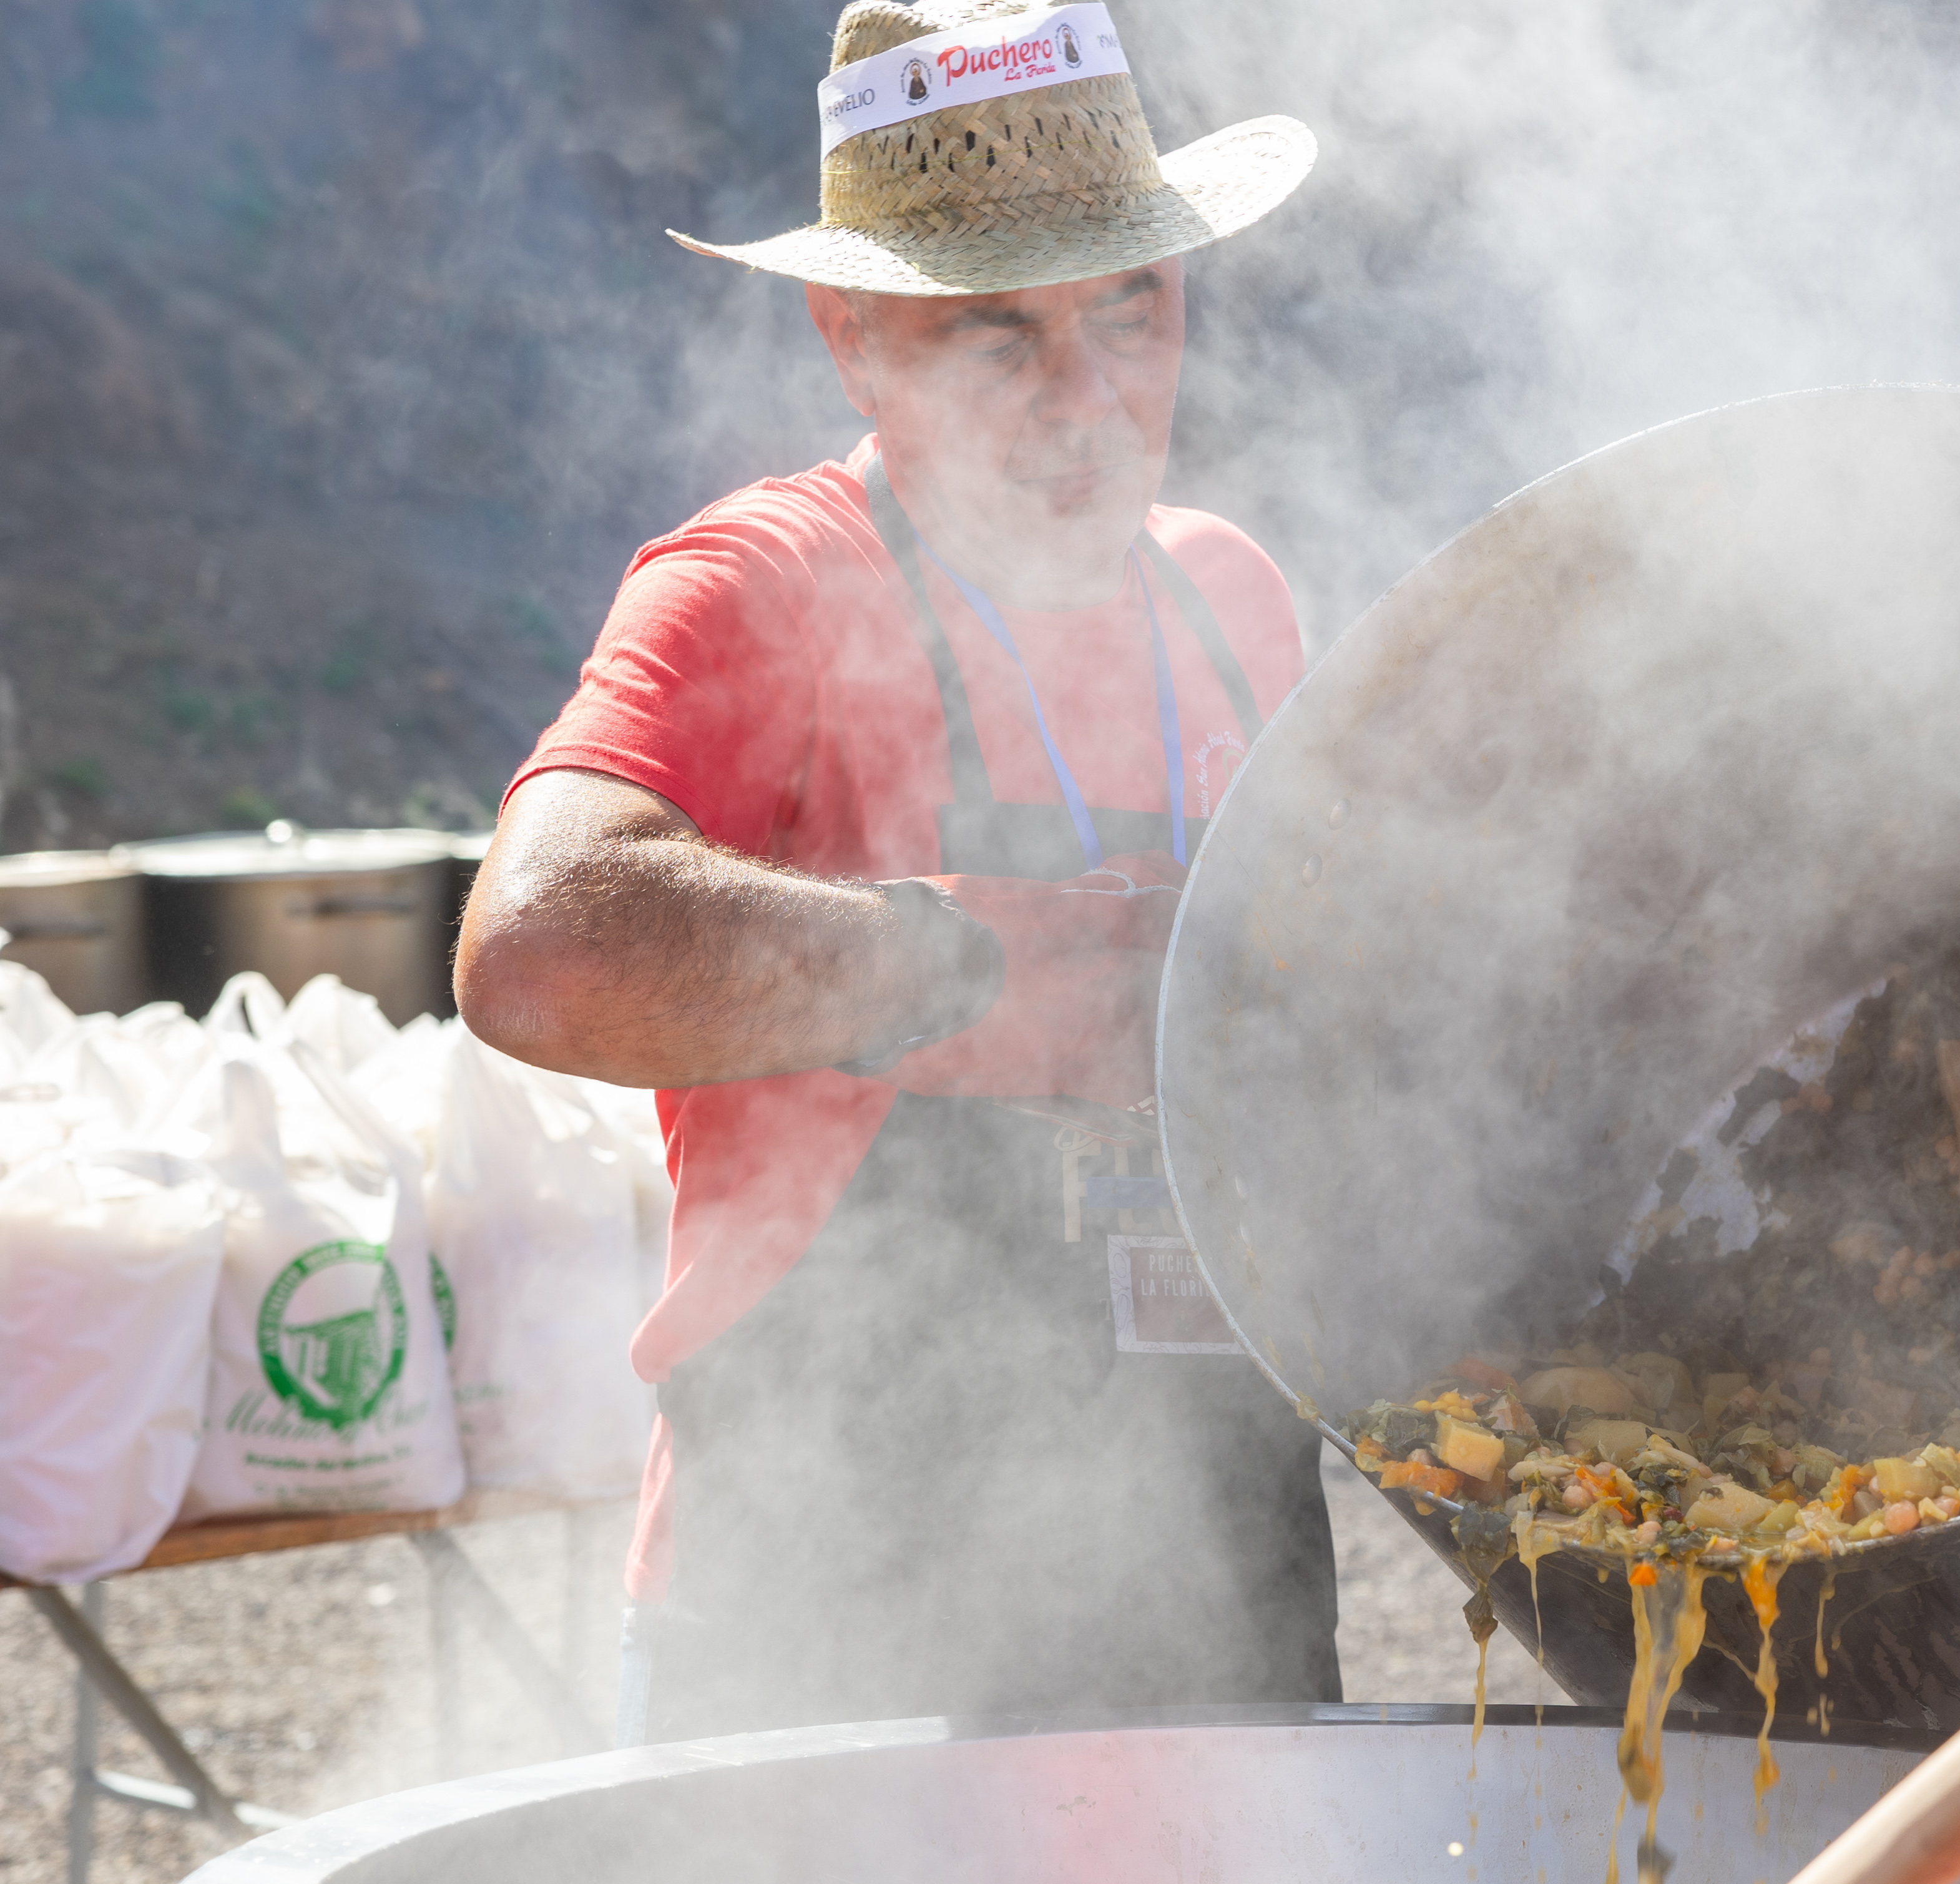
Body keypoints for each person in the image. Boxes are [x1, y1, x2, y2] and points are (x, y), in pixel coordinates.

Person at [455, 0, 1341, 1740]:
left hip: (1225, 1612)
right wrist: (990, 976)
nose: (1088, 403)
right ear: (854, 337)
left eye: (1131, 309)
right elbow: (539, 949)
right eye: (998, 338)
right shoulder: (762, 583)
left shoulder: (1230, 603)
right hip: (828, 1631)